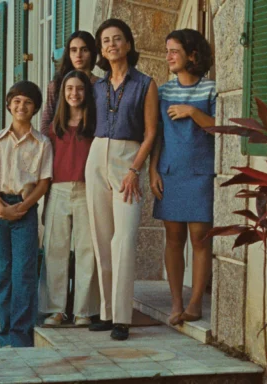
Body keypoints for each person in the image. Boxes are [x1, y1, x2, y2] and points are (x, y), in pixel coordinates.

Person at [85, 18, 158, 341]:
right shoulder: (96, 87)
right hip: (97, 156)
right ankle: (107, 312)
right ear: (101, 49)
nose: (111, 44)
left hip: (128, 160)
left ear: (128, 44)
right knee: (102, 239)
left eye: (117, 38)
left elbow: (152, 131)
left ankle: (123, 318)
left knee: (124, 239)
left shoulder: (145, 83)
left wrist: (135, 170)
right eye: (105, 41)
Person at [150, 29, 216, 326]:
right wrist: (152, 170)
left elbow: (220, 129)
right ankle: (176, 303)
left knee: (200, 239)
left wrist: (192, 111)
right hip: (170, 173)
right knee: (173, 239)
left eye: (174, 50)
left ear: (193, 54)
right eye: (167, 50)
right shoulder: (162, 92)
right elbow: (156, 135)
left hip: (201, 174)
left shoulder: (211, 90)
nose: (168, 56)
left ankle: (195, 303)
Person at [0, 81, 53, 347]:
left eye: (28, 102)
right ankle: (5, 334)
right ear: (9, 104)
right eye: (17, 101)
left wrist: (22, 207)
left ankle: (21, 335)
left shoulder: (42, 143)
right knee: (1, 273)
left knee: (23, 273)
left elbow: (44, 182)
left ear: (35, 108)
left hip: (26, 210)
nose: (22, 106)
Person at [39, 70, 100, 327]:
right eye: (69, 89)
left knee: (88, 249)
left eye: (80, 89)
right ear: (63, 94)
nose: (74, 94)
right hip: (59, 189)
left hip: (88, 190)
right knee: (56, 249)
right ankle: (56, 309)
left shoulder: (95, 125)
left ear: (87, 93)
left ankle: (83, 310)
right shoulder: (55, 127)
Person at [41, 30, 99, 136]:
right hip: (60, 143)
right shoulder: (56, 85)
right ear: (68, 54)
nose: (78, 55)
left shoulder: (100, 85)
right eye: (73, 50)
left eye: (84, 50)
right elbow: (47, 119)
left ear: (92, 53)